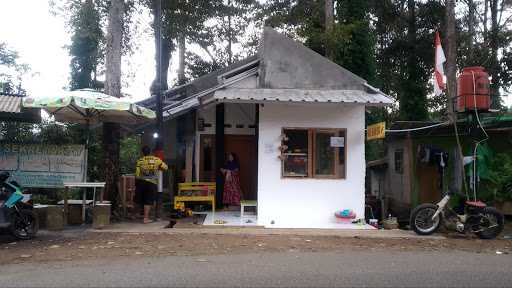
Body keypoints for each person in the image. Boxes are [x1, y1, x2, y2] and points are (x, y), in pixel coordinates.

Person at [135, 145, 168, 224]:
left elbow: (137, 174)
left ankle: (136, 215)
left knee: (140, 199)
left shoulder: (140, 161)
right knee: (148, 200)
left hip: (142, 182)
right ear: (150, 152)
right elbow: (166, 167)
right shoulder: (156, 160)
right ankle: (146, 218)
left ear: (142, 153)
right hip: (152, 183)